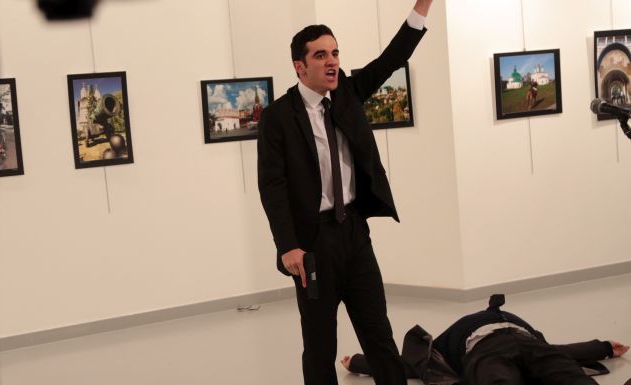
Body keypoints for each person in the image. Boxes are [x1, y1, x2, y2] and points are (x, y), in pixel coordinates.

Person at [256, 1, 432, 384]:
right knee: (320, 347)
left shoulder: (348, 93)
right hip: (312, 245)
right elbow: (272, 186)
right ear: (299, 66)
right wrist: (288, 245)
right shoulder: (279, 117)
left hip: (354, 233)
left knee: (380, 338)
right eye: (320, 55)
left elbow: (392, 58)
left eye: (335, 53)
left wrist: (423, 6)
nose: (332, 61)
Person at [341, 294, 629, 385]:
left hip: (527, 342)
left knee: (566, 373)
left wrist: (603, 347)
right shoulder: (462, 331)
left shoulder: (511, 323)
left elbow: (558, 350)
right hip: (483, 348)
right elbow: (409, 364)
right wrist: (360, 361)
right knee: (496, 380)